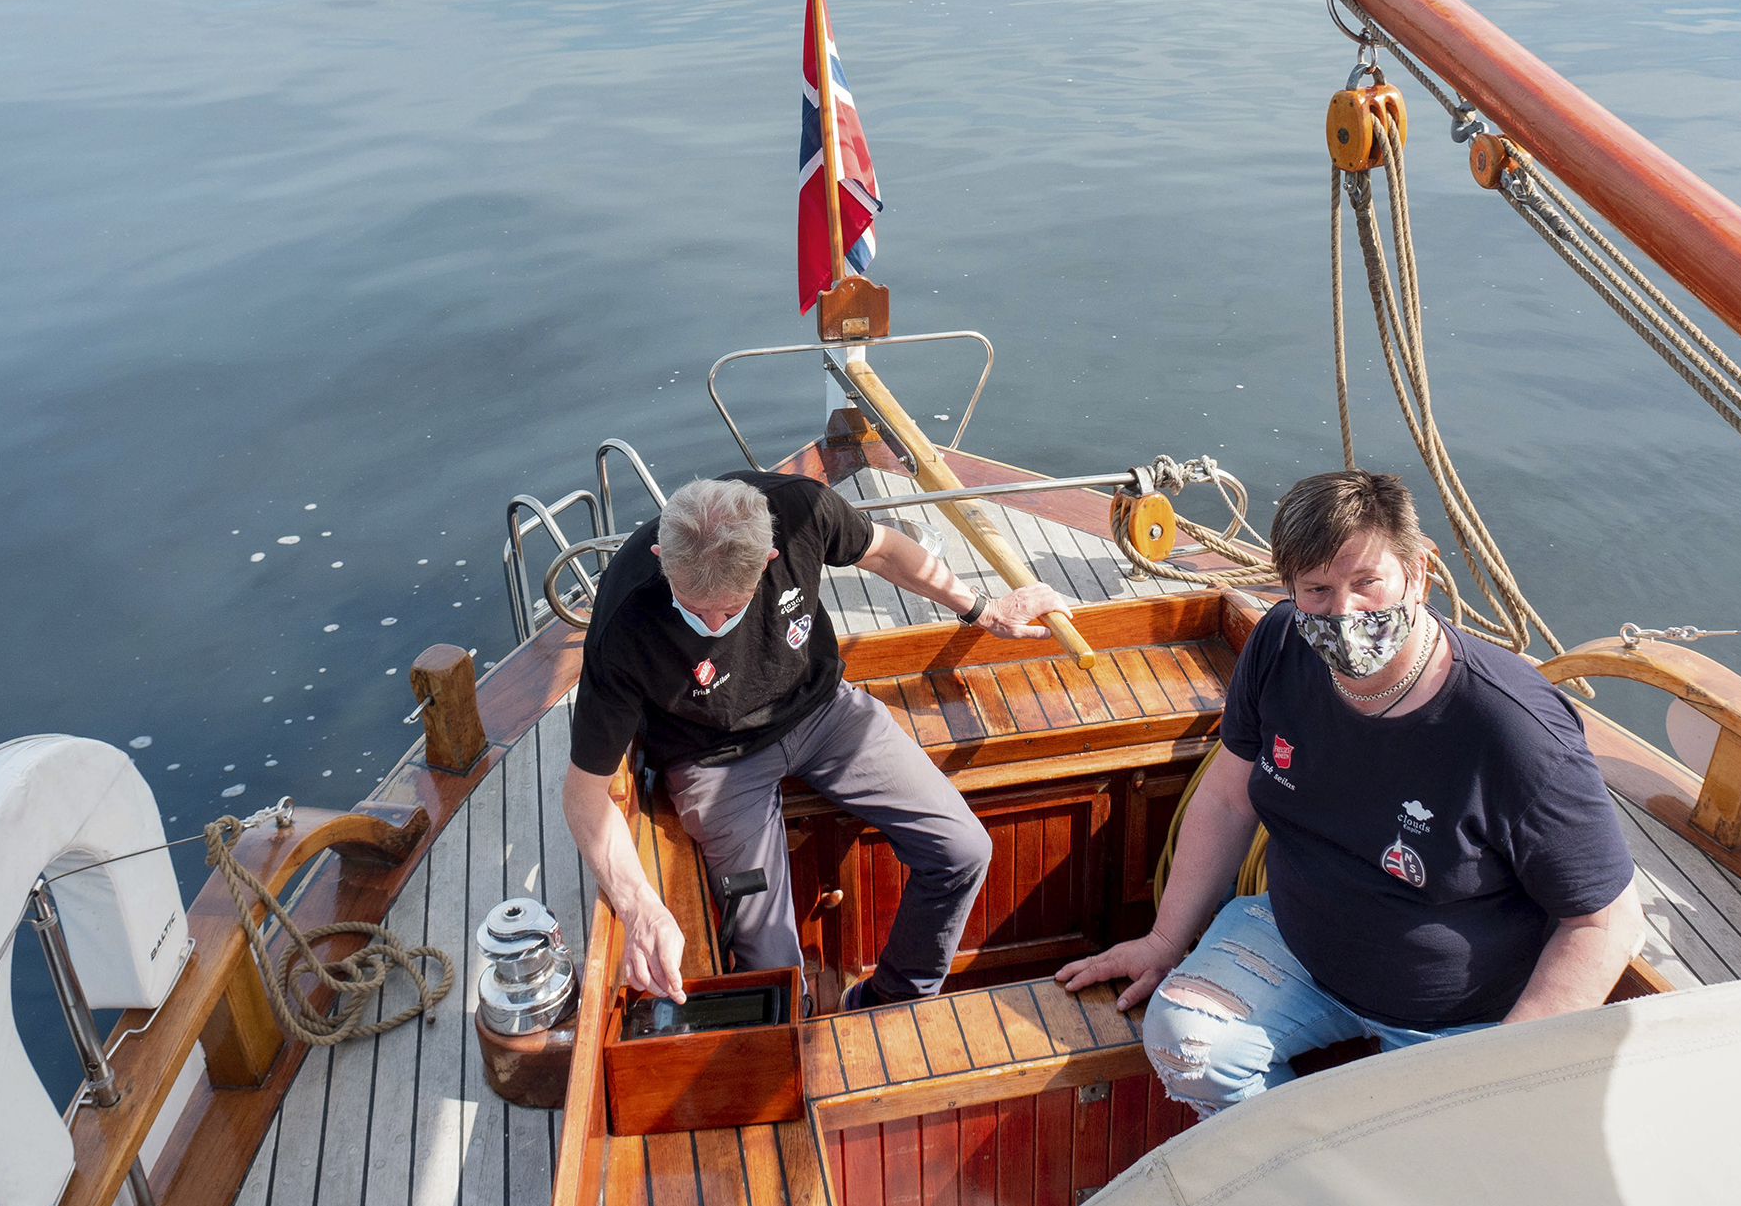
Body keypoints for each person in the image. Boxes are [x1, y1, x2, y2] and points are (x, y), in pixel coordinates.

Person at [1056, 468, 1643, 1113]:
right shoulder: (1280, 644)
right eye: (1317, 590)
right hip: (1295, 941)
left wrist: (1503, 1070)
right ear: (1290, 589)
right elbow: (1228, 799)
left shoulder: (1514, 729)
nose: (1344, 612)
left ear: (1419, 573)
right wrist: (1164, 941)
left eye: (1368, 583)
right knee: (1186, 1045)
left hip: (1453, 1013)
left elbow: (1607, 922)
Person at [561, 472, 1068, 1009]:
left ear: (768, 559)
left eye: (729, 610)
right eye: (693, 606)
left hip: (824, 711)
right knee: (770, 971)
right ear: (663, 557)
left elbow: (887, 551)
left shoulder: (804, 509)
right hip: (711, 757)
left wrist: (980, 609)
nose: (711, 624)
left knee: (964, 850)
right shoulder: (624, 619)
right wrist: (640, 906)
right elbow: (584, 796)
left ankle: (887, 1004)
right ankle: (793, 1038)